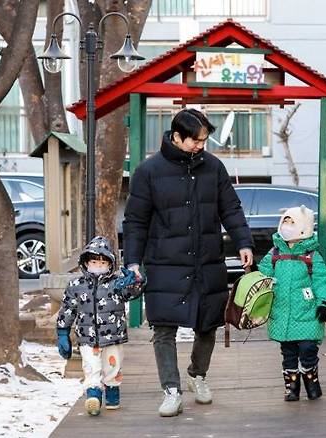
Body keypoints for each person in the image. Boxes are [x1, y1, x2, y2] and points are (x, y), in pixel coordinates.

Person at [123, 108, 254, 417]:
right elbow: (135, 221)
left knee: (208, 325)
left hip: (207, 261)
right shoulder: (148, 171)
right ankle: (171, 390)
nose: (200, 146)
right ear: (177, 136)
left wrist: (244, 242)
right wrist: (132, 261)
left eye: (204, 140)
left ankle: (197, 375)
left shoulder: (214, 168)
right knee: (164, 329)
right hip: (164, 263)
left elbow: (230, 208)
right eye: (195, 140)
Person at [56, 235, 145, 416]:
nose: (98, 266)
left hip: (113, 336)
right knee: (91, 366)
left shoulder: (117, 284)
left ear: (110, 264)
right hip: (87, 337)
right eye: (94, 262)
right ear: (86, 263)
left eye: (103, 263)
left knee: (113, 366)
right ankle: (93, 396)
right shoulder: (75, 285)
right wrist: (62, 332)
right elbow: (68, 309)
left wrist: (136, 282)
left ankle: (112, 393)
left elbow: (132, 294)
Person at [257, 205, 326, 402]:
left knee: (308, 347)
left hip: (308, 312)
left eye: (292, 223)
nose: (287, 227)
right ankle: (292, 387)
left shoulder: (312, 256)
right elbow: (263, 276)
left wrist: (323, 303)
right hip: (282, 312)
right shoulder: (274, 253)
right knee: (288, 351)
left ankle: (311, 378)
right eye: (285, 222)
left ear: (304, 227)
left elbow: (321, 280)